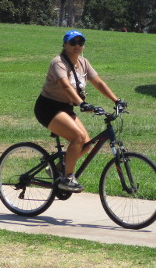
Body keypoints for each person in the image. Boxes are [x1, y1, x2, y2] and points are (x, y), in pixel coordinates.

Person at [33, 29, 125, 192]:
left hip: (66, 108)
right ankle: (68, 178)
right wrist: (82, 103)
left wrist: (116, 100)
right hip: (48, 108)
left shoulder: (83, 63)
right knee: (78, 137)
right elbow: (65, 86)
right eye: (73, 42)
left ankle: (58, 168)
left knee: (87, 143)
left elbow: (99, 83)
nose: (77, 45)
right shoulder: (58, 62)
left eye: (80, 42)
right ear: (65, 44)